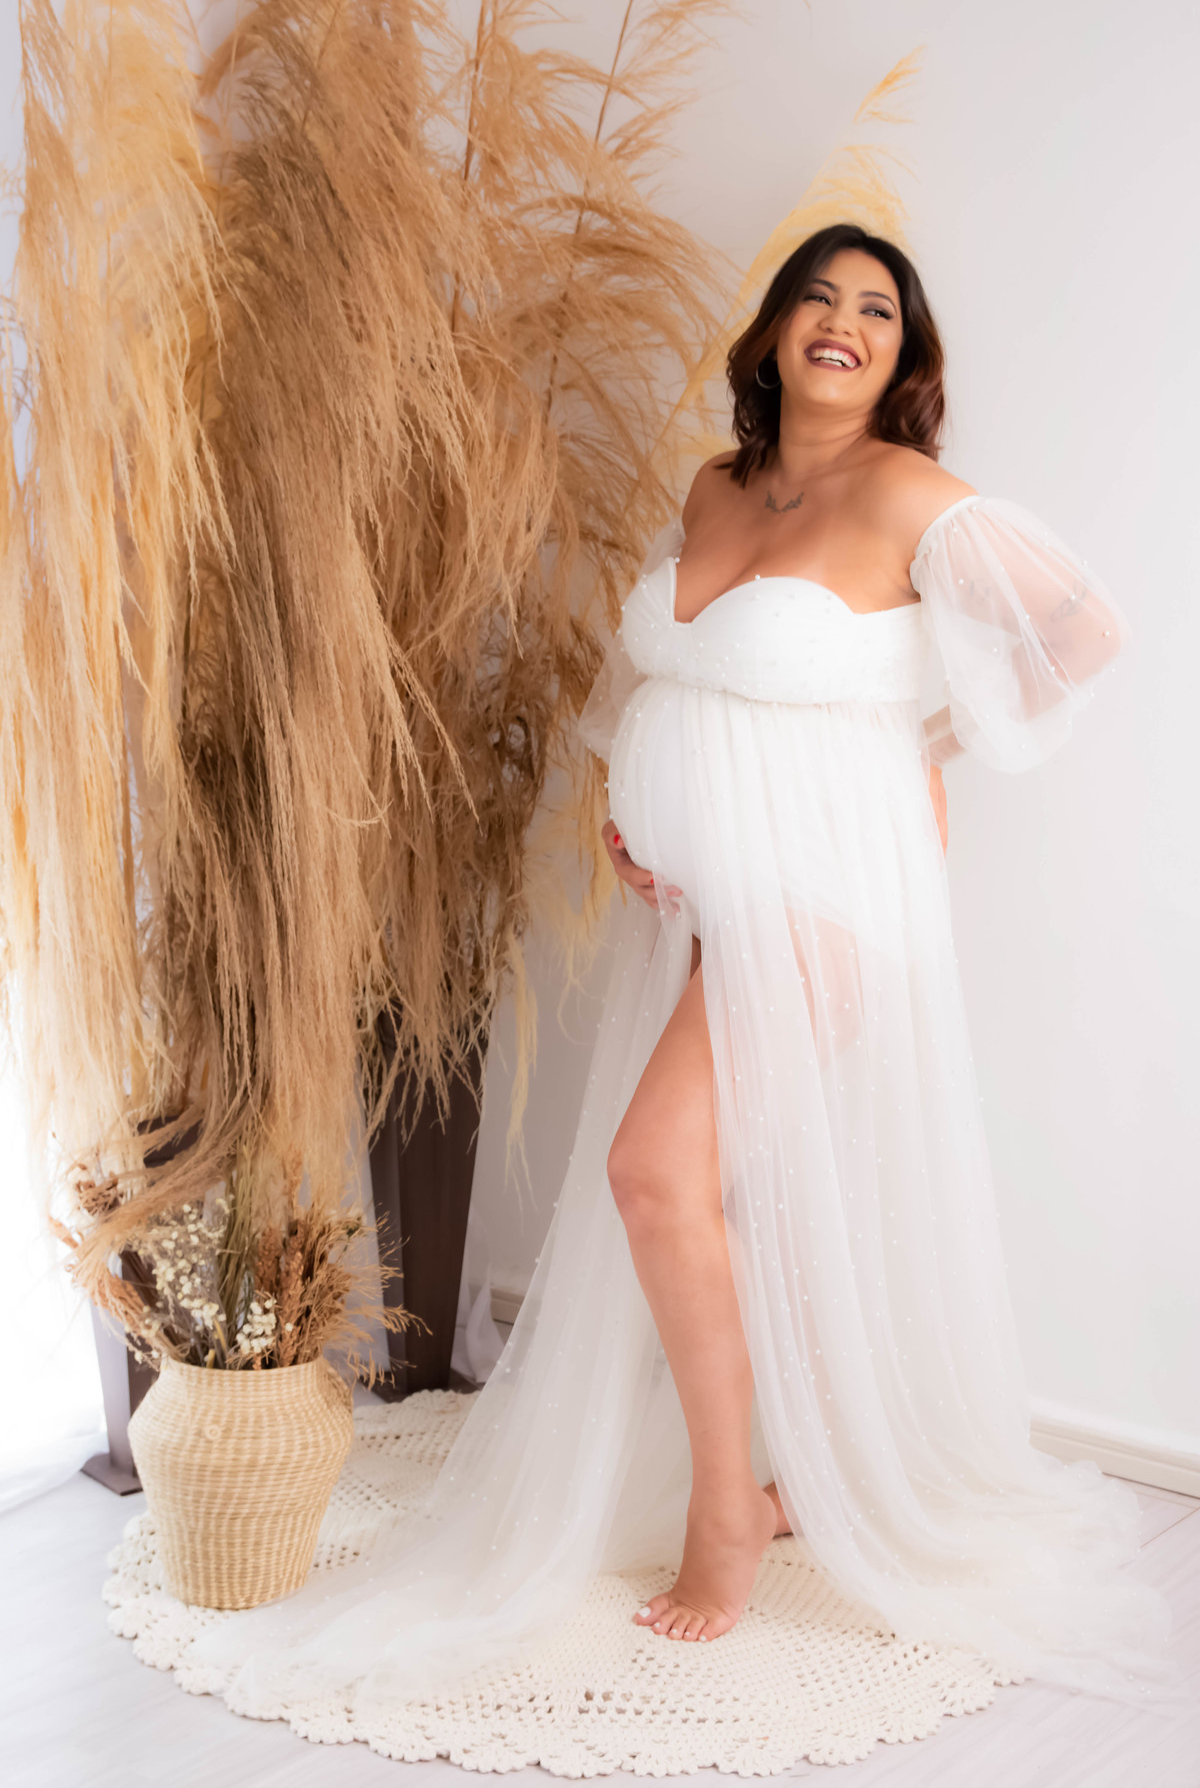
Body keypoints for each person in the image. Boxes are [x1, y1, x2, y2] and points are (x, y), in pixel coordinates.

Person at [189, 224, 1171, 1717]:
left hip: (830, 898)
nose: (844, 322)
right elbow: (669, 671)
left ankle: (730, 1511)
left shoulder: (907, 494)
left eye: (878, 312)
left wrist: (914, 753)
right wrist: (632, 808)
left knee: (653, 1175)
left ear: (904, 359)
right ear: (771, 331)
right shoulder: (718, 487)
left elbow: (1083, 631)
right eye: (818, 298)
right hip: (706, 903)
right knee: (724, 1195)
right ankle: (786, 1477)